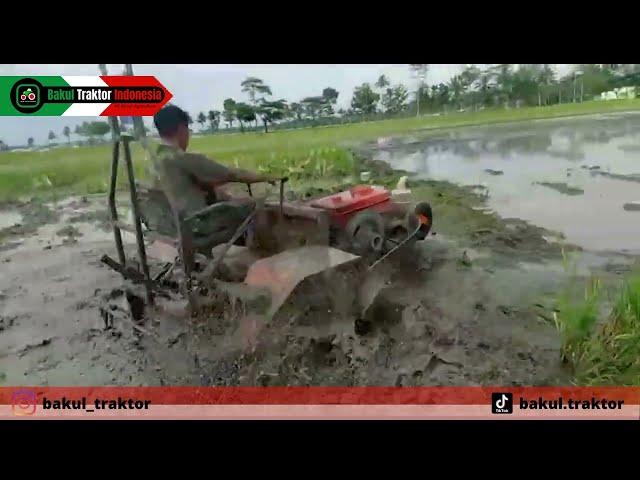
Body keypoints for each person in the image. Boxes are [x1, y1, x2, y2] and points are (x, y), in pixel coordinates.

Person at [149, 104, 280, 246]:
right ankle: (264, 249)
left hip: (169, 223)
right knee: (253, 205)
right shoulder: (181, 158)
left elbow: (191, 183)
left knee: (223, 196)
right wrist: (267, 177)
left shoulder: (156, 160)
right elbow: (232, 174)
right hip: (195, 224)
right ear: (182, 128)